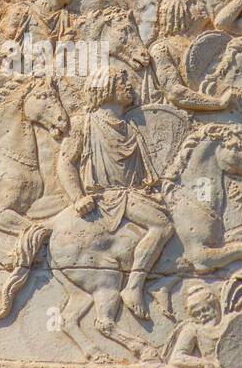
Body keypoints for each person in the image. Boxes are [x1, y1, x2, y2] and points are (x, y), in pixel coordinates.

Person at [58, 66, 174, 319]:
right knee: (163, 226)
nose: (129, 86)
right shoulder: (84, 123)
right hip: (109, 197)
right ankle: (133, 287)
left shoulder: (131, 128)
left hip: (135, 193)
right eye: (122, 82)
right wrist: (78, 197)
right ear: (106, 88)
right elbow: (66, 162)